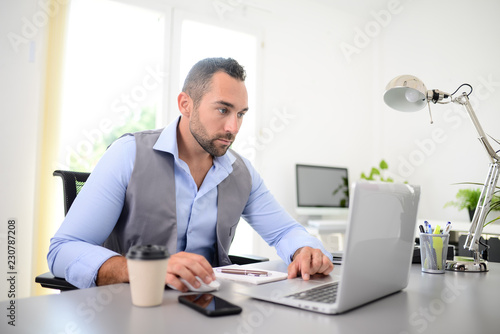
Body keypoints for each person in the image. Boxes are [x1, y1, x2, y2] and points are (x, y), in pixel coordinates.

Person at [48, 57, 333, 292]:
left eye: (241, 114)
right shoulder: (128, 153)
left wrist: (305, 250)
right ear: (186, 104)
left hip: (208, 307)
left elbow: (285, 231)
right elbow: (63, 249)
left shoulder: (241, 172)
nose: (233, 127)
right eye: (223, 109)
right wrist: (145, 269)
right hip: (131, 307)